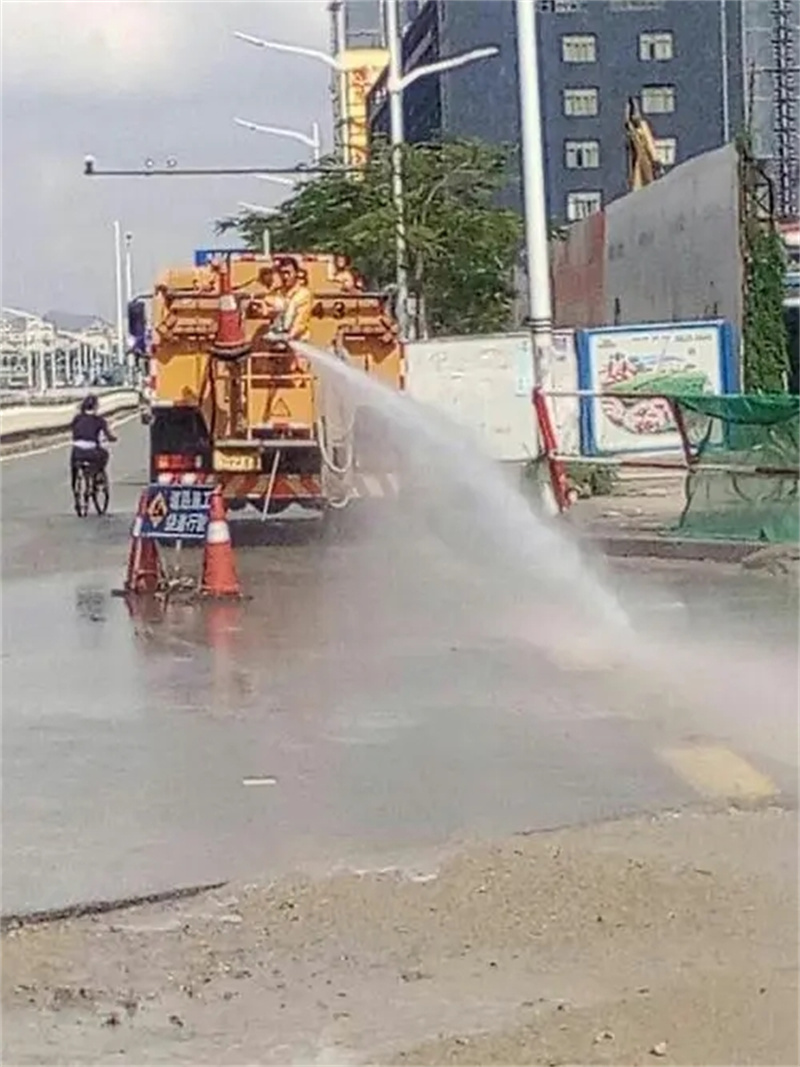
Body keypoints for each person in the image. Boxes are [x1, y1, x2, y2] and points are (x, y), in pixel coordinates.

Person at [70, 394, 117, 490]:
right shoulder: (99, 420)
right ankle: (98, 475)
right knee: (104, 455)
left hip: (77, 451)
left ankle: (75, 487)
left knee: (74, 465)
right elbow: (109, 435)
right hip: (91, 451)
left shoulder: (77, 418)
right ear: (96, 406)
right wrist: (113, 438)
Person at [276, 256, 312, 341]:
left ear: (296, 273)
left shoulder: (304, 294)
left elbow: (300, 322)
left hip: (299, 342)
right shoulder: (278, 293)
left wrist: (288, 337)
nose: (285, 277)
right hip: (278, 342)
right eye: (282, 273)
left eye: (288, 273)